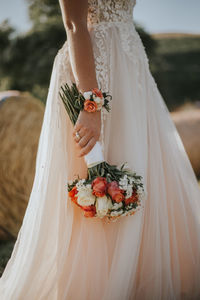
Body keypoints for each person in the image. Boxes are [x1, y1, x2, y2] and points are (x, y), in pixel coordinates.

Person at [1, 0, 200, 299]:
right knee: (96, 174)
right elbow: (74, 24)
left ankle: (137, 276)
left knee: (140, 165)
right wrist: (90, 103)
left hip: (131, 71)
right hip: (95, 72)